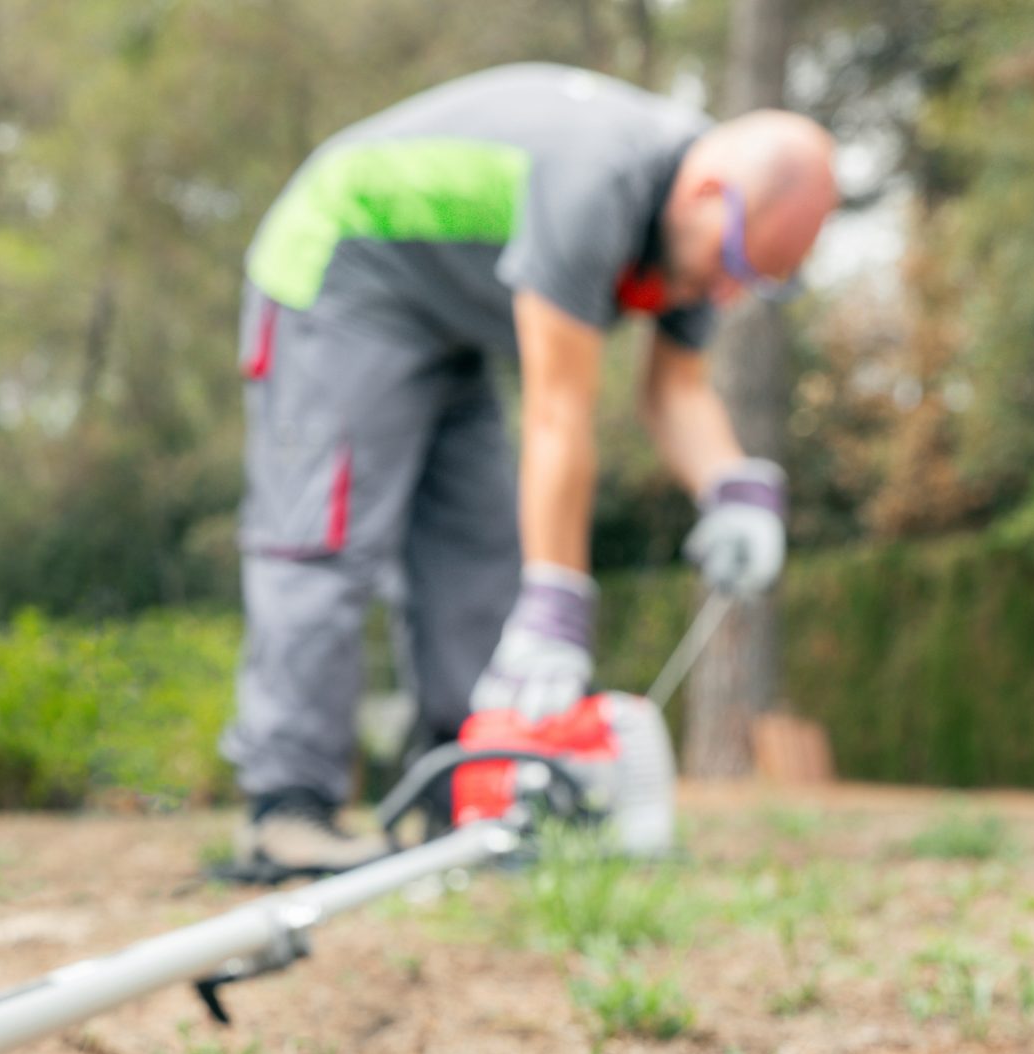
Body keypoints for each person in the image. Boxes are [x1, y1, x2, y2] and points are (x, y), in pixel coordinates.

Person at [222, 64, 839, 878]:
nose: (722, 292)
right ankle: (287, 807)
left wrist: (735, 488)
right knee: (327, 532)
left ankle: (468, 794)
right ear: (707, 192)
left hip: (448, 319)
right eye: (732, 263)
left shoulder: (699, 241)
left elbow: (675, 390)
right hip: (342, 265)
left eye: (751, 282)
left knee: (478, 551)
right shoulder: (597, 180)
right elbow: (559, 412)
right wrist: (560, 603)